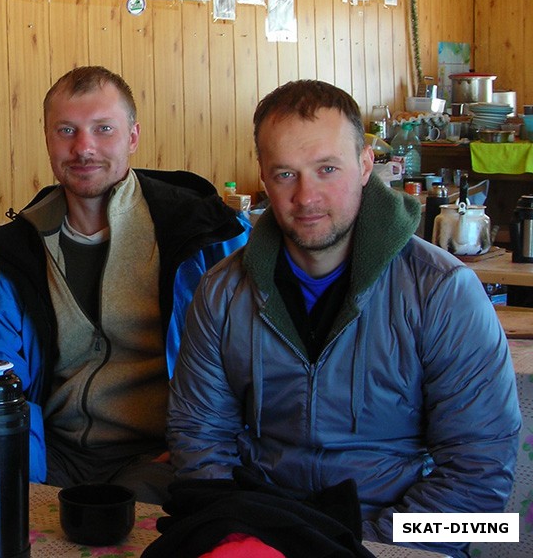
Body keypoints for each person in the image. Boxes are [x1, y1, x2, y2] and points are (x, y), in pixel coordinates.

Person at [167, 80, 521, 557]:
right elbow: (198, 440)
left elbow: (482, 485)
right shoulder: (221, 292)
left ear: (365, 165)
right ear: (264, 178)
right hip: (261, 528)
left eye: (327, 169)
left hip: (404, 537)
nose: (307, 197)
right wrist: (240, 531)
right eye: (285, 174)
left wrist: (363, 545)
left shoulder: (445, 291)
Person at [0, 66, 250, 503]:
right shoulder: (19, 251)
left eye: (103, 129)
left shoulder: (203, 236)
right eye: (66, 130)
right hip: (51, 455)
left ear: (132, 137)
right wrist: (17, 464)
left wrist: (196, 449)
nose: (84, 148)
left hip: (164, 459)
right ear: (46, 139)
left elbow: (250, 358)